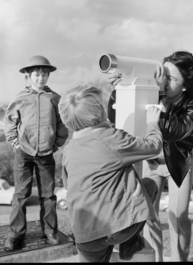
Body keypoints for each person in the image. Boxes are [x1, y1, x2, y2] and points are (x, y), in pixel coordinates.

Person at [108, 51, 193, 261]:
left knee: (178, 218)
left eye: (171, 78)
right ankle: (157, 259)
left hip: (177, 167)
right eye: (162, 75)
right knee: (148, 216)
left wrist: (160, 94)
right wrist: (119, 90)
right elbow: (116, 116)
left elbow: (174, 132)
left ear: (186, 84)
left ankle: (180, 259)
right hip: (151, 163)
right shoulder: (151, 92)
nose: (163, 81)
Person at [58, 84, 163, 262]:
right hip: (118, 229)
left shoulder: (68, 151)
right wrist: (152, 122)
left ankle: (128, 242)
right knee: (150, 184)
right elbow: (153, 146)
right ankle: (129, 243)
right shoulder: (111, 138)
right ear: (100, 111)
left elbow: (69, 185)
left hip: (84, 234)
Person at [4, 55, 69, 250]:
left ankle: (50, 232)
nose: (41, 78)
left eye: (44, 74)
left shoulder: (55, 98)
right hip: (23, 154)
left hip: (46, 154)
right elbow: (10, 123)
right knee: (20, 195)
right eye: (37, 74)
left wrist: (56, 144)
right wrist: (16, 144)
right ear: (28, 75)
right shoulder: (20, 98)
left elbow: (62, 124)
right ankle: (15, 235)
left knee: (48, 196)